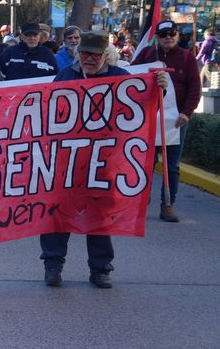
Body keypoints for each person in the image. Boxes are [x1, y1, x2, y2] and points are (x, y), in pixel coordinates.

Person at [41, 31, 168, 289]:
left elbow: (143, 105)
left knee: (99, 215)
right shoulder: (66, 76)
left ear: (105, 56)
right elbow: (49, 111)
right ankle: (52, 265)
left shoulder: (120, 78)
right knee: (58, 213)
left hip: (104, 161)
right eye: (84, 53)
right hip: (68, 160)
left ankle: (100, 269)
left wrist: (160, 89)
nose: (88, 58)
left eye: (94, 54)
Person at [132, 20, 201, 222]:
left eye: (172, 33)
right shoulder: (146, 56)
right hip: (149, 120)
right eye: (163, 34)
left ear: (177, 36)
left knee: (171, 165)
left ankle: (167, 205)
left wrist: (186, 113)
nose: (168, 37)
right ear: (157, 37)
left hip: (176, 121)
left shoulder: (187, 58)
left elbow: (194, 89)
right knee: (146, 163)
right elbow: (131, 78)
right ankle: (141, 200)